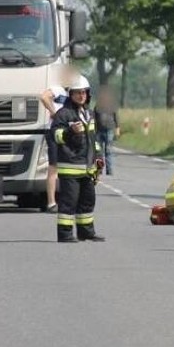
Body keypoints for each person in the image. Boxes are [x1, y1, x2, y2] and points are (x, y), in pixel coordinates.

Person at [51, 75, 105, 243]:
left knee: (88, 201)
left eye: (84, 92)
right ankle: (65, 234)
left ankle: (86, 232)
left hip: (87, 167)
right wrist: (69, 132)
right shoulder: (63, 114)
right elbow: (55, 136)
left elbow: (92, 139)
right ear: (71, 95)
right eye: (77, 93)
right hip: (70, 166)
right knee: (69, 202)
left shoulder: (88, 114)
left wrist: (98, 157)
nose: (81, 96)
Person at [40, 65, 78, 213]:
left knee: (69, 167)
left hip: (69, 132)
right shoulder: (57, 89)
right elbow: (44, 97)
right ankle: (51, 202)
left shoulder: (72, 94)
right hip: (55, 130)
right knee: (54, 167)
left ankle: (67, 200)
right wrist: (53, 111)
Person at [94, 86, 120, 176]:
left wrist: (117, 129)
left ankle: (109, 170)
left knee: (108, 151)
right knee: (99, 151)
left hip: (109, 130)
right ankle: (99, 169)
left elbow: (116, 117)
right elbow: (94, 118)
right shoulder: (97, 106)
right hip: (99, 130)